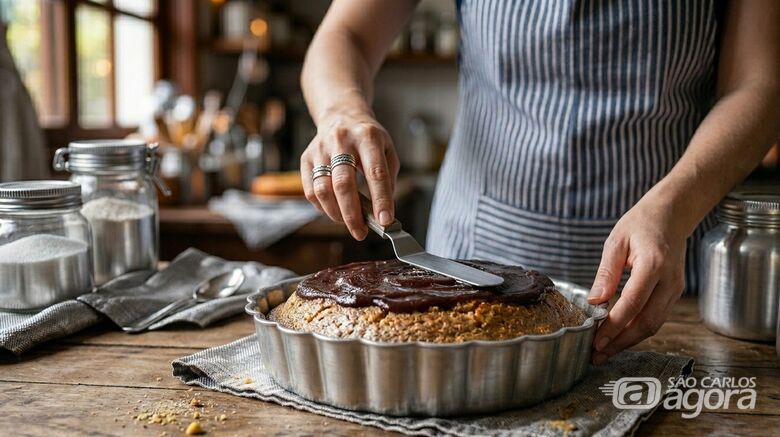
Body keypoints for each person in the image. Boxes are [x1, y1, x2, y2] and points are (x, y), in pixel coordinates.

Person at [299, 0, 780, 364]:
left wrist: (676, 206)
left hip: (665, 276)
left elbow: (759, 84)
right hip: (465, 262)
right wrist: (341, 109)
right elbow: (346, 34)